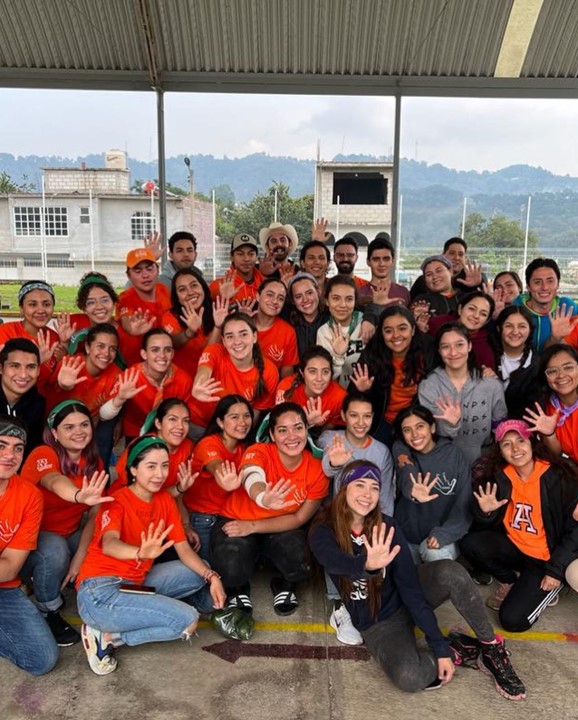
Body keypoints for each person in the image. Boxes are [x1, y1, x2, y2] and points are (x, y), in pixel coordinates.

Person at [309, 460, 526, 699]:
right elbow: (333, 561)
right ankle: (458, 648)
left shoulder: (387, 526)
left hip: (405, 596)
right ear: (343, 489)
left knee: (450, 571)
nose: (367, 494)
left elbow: (409, 586)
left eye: (374, 487)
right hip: (379, 621)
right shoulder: (323, 530)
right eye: (360, 485)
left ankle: (490, 647)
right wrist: (367, 565)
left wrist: (437, 645)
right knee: (409, 677)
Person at [76, 435, 226, 675]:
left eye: (164, 466)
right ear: (134, 469)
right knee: (187, 622)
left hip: (135, 584)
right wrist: (139, 552)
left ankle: (156, 610)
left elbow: (184, 549)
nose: (159, 474)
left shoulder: (165, 500)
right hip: (99, 592)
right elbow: (109, 543)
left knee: (199, 571)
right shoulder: (117, 500)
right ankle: (108, 637)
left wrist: (213, 576)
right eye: (151, 466)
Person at [210, 402, 328, 615]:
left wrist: (253, 526)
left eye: (298, 428)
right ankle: (238, 587)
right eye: (283, 430)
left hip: (279, 527)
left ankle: (284, 584)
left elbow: (300, 518)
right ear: (272, 435)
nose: (292, 436)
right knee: (230, 565)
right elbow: (251, 475)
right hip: (236, 522)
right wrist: (263, 497)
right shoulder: (259, 451)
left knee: (304, 562)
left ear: (306, 430)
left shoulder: (316, 469)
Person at [461, 419, 578, 633]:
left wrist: (555, 571)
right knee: (471, 543)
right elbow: (481, 523)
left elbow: (575, 530)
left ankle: (552, 588)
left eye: (521, 440)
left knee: (513, 621)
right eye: (507, 444)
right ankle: (511, 580)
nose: (515, 449)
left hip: (546, 559)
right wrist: (486, 512)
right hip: (517, 549)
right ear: (500, 451)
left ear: (532, 443)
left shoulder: (558, 476)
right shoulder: (500, 477)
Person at [20, 400, 112, 647]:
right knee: (56, 550)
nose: (78, 431)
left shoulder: (95, 464)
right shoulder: (44, 454)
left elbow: (94, 516)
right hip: (27, 539)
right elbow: (53, 480)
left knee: (100, 544)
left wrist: (80, 556)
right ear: (55, 434)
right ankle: (46, 609)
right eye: (69, 427)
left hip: (67, 534)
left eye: (84, 424)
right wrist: (78, 495)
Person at [0, 416, 59, 676]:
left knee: (42, 658)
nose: (9, 455)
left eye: (18, 448)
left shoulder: (29, 495)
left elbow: (10, 568)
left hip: (4, 587)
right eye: (1, 445)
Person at [418, 323, 507, 464]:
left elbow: (500, 428)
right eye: (446, 347)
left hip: (485, 462)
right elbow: (427, 433)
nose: (453, 353)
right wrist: (451, 424)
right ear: (439, 350)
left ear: (469, 346)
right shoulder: (428, 386)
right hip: (444, 462)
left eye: (459, 345)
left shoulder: (491, 385)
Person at [392, 406, 472, 563]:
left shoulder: (454, 455)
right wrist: (412, 488)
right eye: (407, 430)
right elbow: (406, 468)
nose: (414, 435)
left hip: (442, 537)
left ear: (433, 427)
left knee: (434, 556)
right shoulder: (401, 449)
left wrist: (445, 534)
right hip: (406, 537)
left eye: (420, 426)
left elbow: (464, 503)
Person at [350, 306, 434, 445]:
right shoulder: (372, 355)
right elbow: (353, 399)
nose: (396, 335)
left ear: (413, 330)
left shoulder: (427, 351)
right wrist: (364, 391)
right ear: (381, 333)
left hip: (415, 421)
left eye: (402, 328)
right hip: (381, 422)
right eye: (388, 331)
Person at [182, 395, 253, 561]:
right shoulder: (208, 443)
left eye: (247, 416)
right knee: (208, 570)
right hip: (203, 519)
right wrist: (224, 477)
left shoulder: (245, 448)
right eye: (234, 417)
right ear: (220, 422)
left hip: (228, 516)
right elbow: (215, 465)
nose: (242, 423)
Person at [189, 312, 278, 434]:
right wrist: (199, 384)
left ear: (255, 337)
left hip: (235, 432)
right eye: (230, 336)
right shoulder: (215, 351)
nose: (237, 341)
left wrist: (243, 437)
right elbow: (204, 370)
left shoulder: (269, 371)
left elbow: (254, 414)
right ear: (224, 342)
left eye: (243, 334)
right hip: (199, 424)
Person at [100, 328, 193, 442]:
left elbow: (185, 418)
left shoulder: (184, 380)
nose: (162, 356)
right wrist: (120, 398)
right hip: (135, 429)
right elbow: (104, 415)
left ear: (173, 353)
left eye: (167, 350)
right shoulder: (130, 376)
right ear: (144, 354)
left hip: (169, 431)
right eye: (155, 350)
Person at [69, 271, 150, 368]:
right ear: (83, 308)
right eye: (91, 302)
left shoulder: (129, 332)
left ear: (114, 303)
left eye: (105, 300)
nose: (99, 307)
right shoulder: (73, 324)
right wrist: (64, 342)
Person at [161, 268, 227, 373]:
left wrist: (218, 326)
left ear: (203, 288)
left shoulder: (218, 310)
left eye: (194, 285)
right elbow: (172, 342)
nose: (190, 292)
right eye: (182, 289)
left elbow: (208, 355)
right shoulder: (170, 316)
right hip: (183, 383)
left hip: (212, 378)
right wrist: (189, 332)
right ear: (177, 297)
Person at [523, 344, 578, 463]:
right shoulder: (544, 406)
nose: (561, 375)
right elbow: (555, 455)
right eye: (552, 371)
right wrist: (549, 434)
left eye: (568, 367)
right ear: (545, 378)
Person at [275, 346, 346, 437]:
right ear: (302, 372)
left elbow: (327, 434)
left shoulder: (339, 396)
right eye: (312, 371)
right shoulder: (286, 388)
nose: (319, 378)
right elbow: (279, 430)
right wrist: (307, 423)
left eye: (325, 372)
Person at [513, 258, 578, 351]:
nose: (544, 287)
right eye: (537, 282)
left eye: (550, 281)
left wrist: (556, 338)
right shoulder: (515, 309)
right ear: (528, 286)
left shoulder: (568, 306)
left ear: (558, 284)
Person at [428, 290, 497, 370]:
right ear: (460, 309)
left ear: (487, 321)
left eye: (483, 314)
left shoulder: (485, 349)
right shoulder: (438, 323)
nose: (476, 316)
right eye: (471, 309)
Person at [0, 338, 45, 458]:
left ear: (39, 370)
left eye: (31, 367)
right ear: (1, 368)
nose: (23, 375)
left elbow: (32, 452)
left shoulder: (38, 404)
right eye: (15, 366)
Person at [493, 306, 541, 418]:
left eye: (522, 326)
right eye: (508, 326)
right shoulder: (487, 353)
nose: (515, 332)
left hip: (518, 428)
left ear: (530, 330)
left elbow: (533, 408)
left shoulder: (537, 365)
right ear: (499, 328)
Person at [317, 275, 364, 388]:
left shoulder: (365, 323)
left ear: (355, 301)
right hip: (339, 394)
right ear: (326, 301)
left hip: (368, 393)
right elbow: (325, 377)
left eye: (349, 299)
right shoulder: (324, 332)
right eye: (336, 298)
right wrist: (338, 356)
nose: (342, 305)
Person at [117, 248, 172, 334]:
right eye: (138, 271)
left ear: (158, 270)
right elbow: (126, 320)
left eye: (149, 269)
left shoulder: (163, 289)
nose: (145, 275)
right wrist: (131, 329)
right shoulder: (125, 298)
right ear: (129, 276)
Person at [410, 238, 485, 299]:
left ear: (465, 259)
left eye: (461, 254)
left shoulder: (476, 278)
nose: (456, 258)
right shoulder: (422, 281)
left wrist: (475, 286)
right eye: (452, 253)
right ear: (443, 255)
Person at [254, 278, 299, 378]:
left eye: (280, 298)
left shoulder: (288, 332)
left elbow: (287, 377)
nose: (275, 301)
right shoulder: (242, 324)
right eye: (269, 295)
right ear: (257, 296)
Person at [358, 238, 410, 323]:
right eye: (376, 259)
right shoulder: (360, 294)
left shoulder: (403, 292)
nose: (381, 264)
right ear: (368, 262)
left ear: (392, 261)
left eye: (386, 259)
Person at [209, 233, 265, 307]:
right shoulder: (217, 286)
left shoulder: (266, 285)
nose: (246, 259)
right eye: (240, 254)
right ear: (231, 256)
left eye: (251, 254)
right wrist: (225, 299)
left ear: (257, 257)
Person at [285, 272, 330, 358]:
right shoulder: (288, 321)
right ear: (293, 301)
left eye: (309, 293)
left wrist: (365, 319)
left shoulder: (331, 317)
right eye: (298, 296)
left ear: (318, 292)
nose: (305, 300)